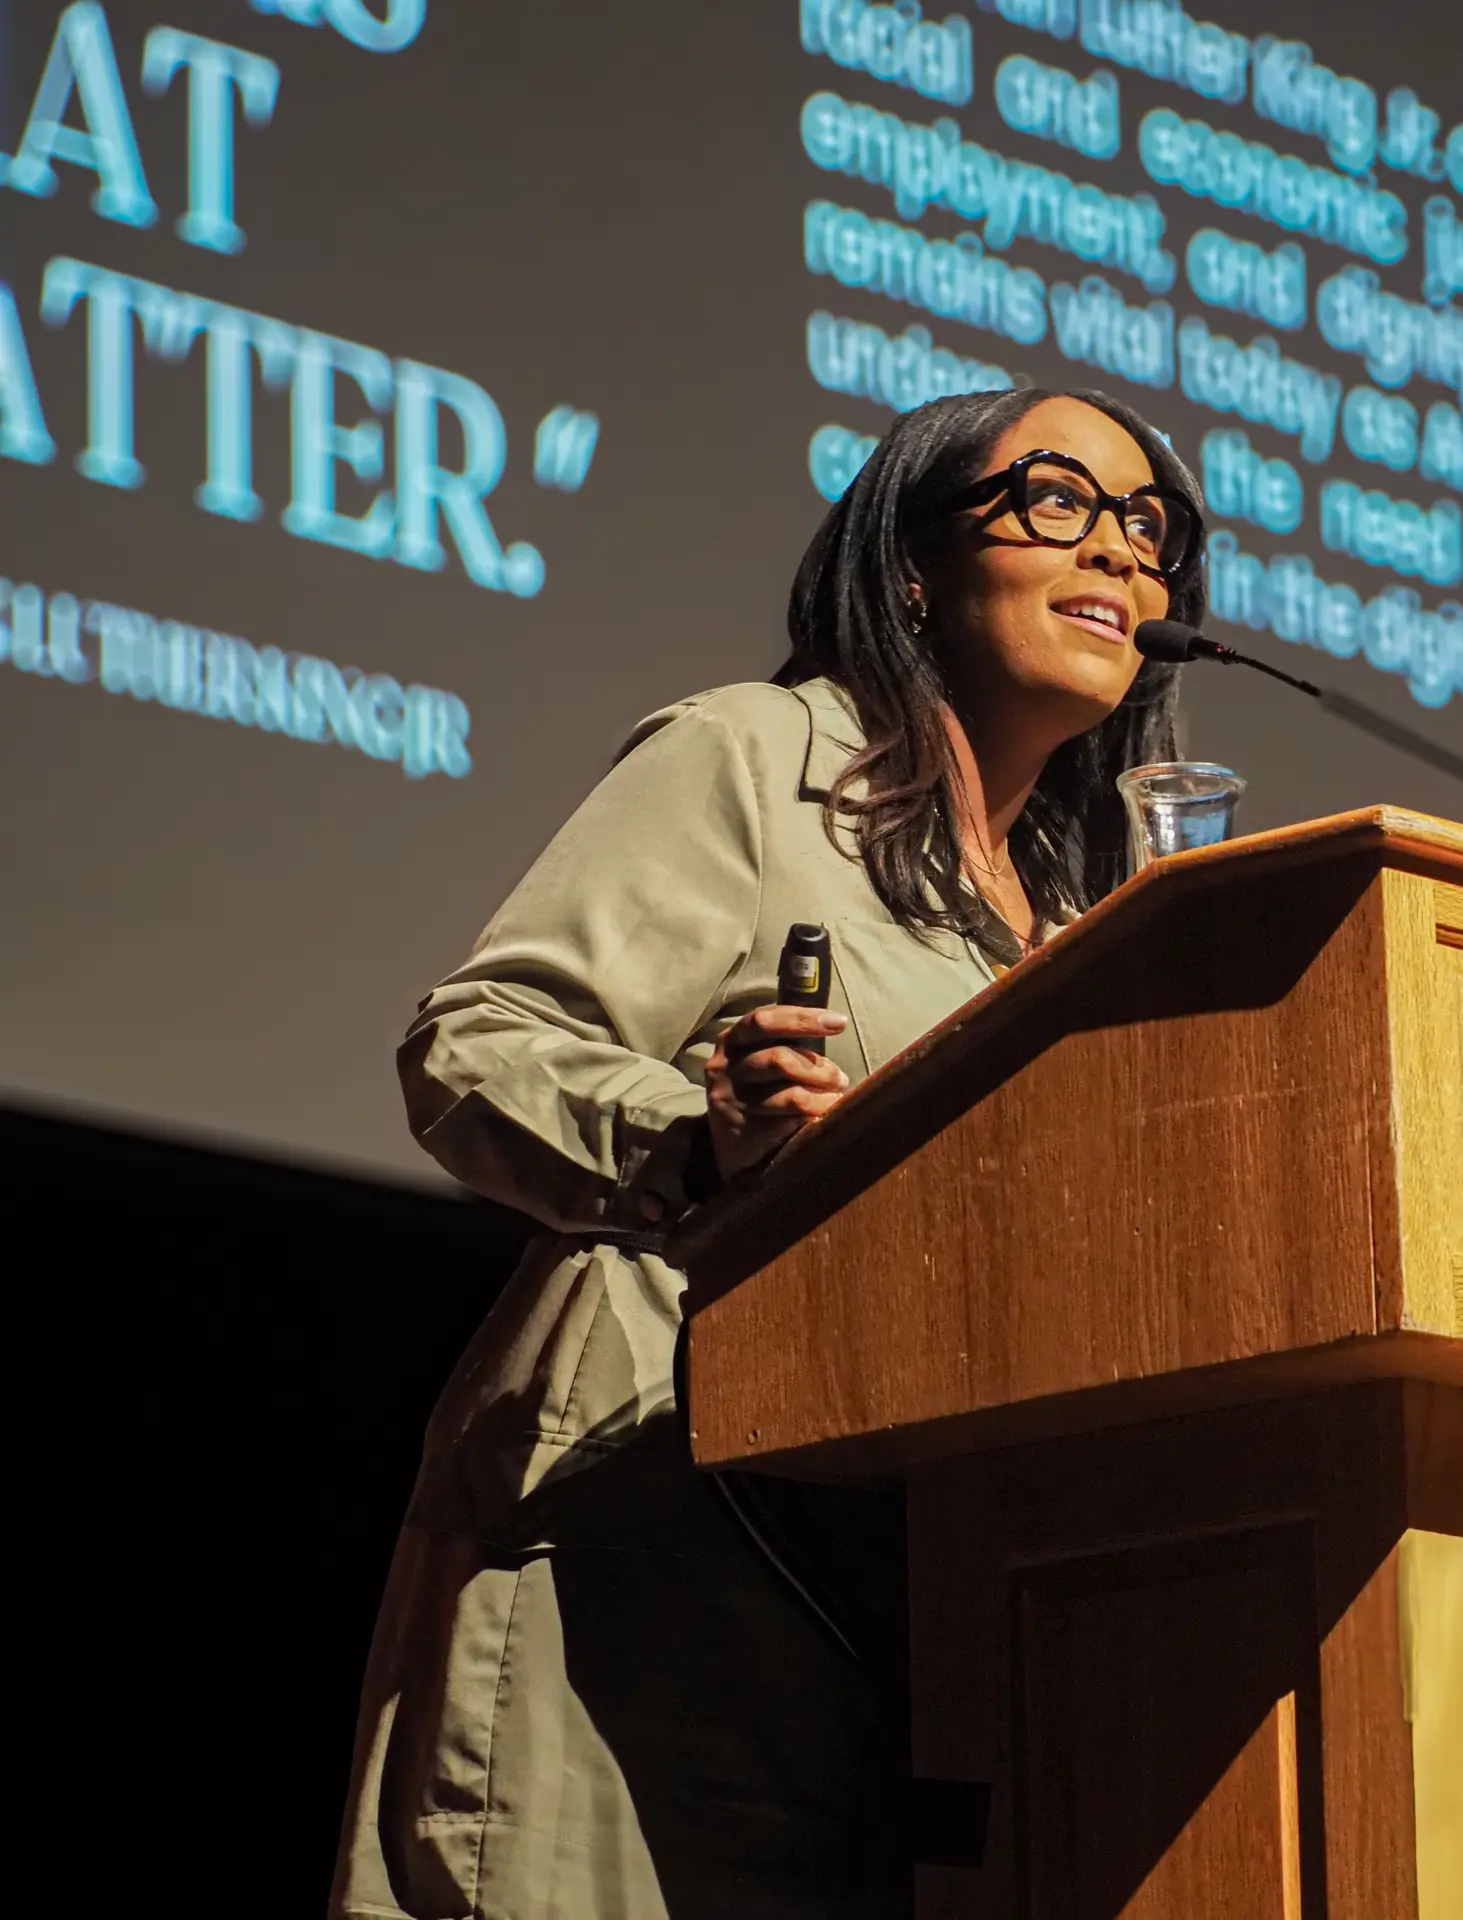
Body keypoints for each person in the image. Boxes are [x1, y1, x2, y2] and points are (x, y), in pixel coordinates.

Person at [331, 388, 1208, 1920]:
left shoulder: (1082, 920)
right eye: (1057, 498)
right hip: (658, 1566)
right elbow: (472, 1045)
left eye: (1150, 527)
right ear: (916, 563)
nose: (1121, 554)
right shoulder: (757, 758)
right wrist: (697, 1140)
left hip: (922, 1605)